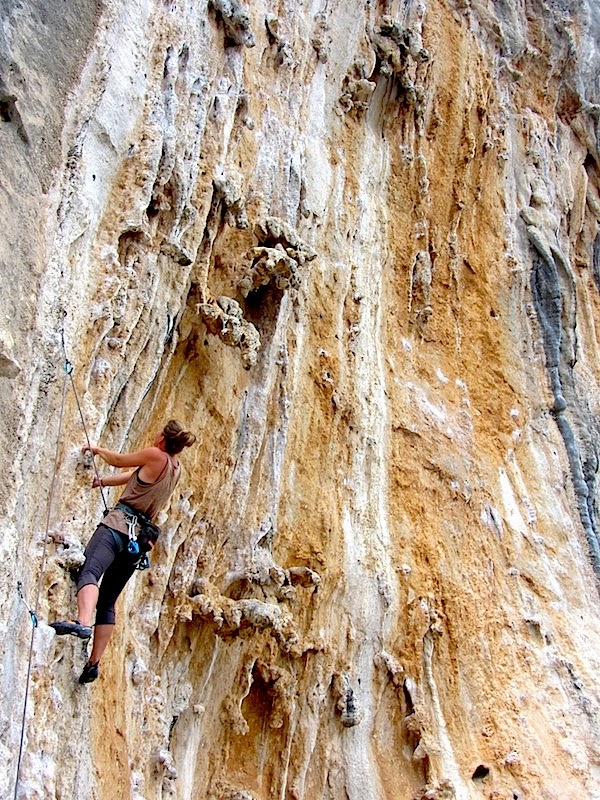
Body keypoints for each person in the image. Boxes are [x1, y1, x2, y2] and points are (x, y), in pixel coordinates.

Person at [51, 419, 196, 684]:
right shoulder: (175, 468)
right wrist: (103, 481)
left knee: (90, 572)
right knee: (108, 601)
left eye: (158, 430)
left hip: (117, 527)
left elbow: (119, 460)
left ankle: (82, 622)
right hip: (138, 541)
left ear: (163, 438)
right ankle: (93, 663)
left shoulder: (155, 454)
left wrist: (97, 450)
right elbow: (134, 477)